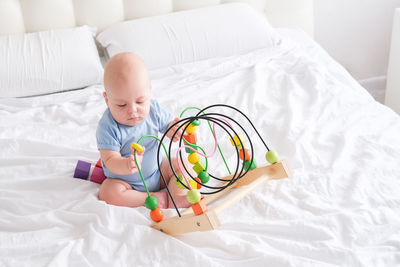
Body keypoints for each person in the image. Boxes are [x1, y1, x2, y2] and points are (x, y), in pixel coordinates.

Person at [96, 52, 192, 209]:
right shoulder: (107, 127)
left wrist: (174, 129)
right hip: (127, 183)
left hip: (158, 171)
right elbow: (110, 160)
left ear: (149, 92)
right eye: (122, 105)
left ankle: (177, 196)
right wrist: (126, 164)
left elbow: (169, 125)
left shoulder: (153, 110)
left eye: (140, 101)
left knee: (182, 163)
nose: (133, 111)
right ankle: (155, 198)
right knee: (108, 193)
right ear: (107, 100)